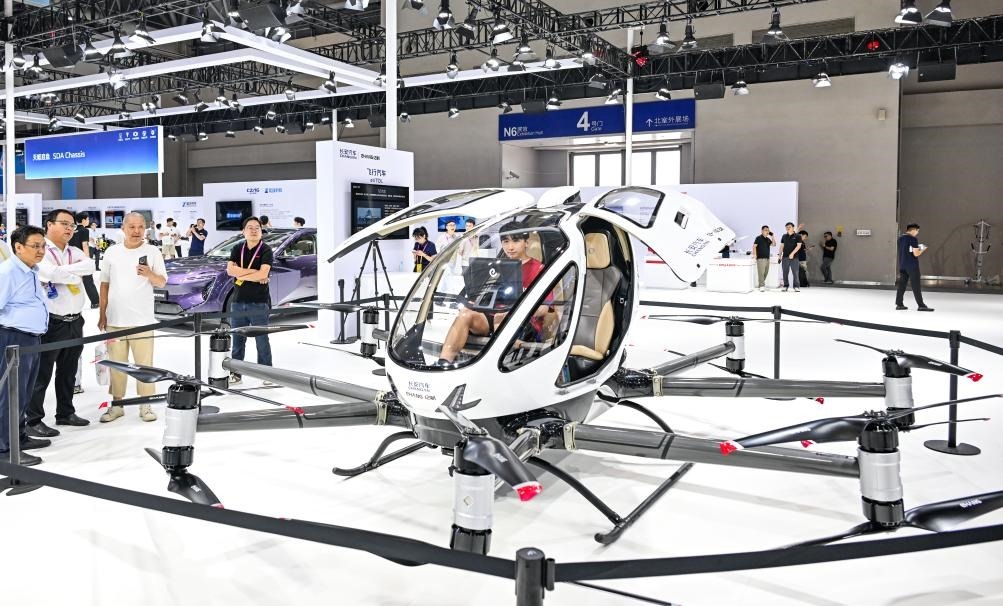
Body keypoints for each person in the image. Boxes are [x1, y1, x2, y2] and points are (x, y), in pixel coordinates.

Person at [25, 209, 94, 439]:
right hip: (51, 322)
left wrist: (61, 273)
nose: (69, 228)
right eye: (64, 223)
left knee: (68, 371)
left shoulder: (74, 251)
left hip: (75, 320)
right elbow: (47, 273)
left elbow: (90, 266)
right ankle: (33, 421)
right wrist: (70, 274)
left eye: (72, 225)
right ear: (49, 224)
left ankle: (65, 412)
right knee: (41, 374)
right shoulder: (41, 250)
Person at [437, 222, 546, 364]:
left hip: (522, 321)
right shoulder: (496, 267)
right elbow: (487, 293)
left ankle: (495, 366)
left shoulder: (538, 269)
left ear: (526, 242)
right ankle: (443, 362)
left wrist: (516, 310)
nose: (510, 247)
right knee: (465, 314)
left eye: (516, 241)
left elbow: (544, 308)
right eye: (505, 241)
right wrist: (477, 301)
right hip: (493, 317)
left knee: (500, 316)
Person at [98, 212, 167, 423]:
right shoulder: (112, 252)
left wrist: (149, 274)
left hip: (142, 321)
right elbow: (104, 284)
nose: (136, 231)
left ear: (145, 228)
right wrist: (102, 313)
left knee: (144, 365)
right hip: (115, 319)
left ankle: (145, 405)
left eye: (140, 227)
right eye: (132, 227)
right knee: (117, 365)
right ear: (123, 228)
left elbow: (162, 282)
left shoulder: (153, 251)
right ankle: (117, 405)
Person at [0, 225, 50, 466]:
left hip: (31, 338)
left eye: (43, 246)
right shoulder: (8, 272)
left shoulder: (30, 270)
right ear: (18, 247)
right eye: (35, 246)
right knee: (10, 395)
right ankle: (4, 448)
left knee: (24, 393)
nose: (41, 250)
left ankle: (18, 436)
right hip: (13, 339)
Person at [225, 216, 274, 384]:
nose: (254, 230)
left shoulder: (266, 250)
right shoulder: (237, 248)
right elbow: (230, 271)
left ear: (261, 231)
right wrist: (255, 273)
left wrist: (241, 272)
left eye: (257, 228)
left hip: (259, 302)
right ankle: (235, 374)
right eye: (250, 228)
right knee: (237, 340)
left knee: (262, 340)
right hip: (238, 301)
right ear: (243, 231)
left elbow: (263, 273)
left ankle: (267, 374)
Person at [896, 223, 933, 312]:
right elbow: (916, 254)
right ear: (913, 230)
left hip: (902, 265)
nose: (917, 233)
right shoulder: (913, 239)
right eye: (917, 231)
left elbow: (905, 251)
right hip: (912, 266)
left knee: (902, 285)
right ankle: (921, 305)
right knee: (916, 286)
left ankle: (899, 304)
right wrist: (922, 249)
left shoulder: (900, 238)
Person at [70, 212, 100, 309]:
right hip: (82, 259)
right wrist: (88, 260)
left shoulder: (72, 230)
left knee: (73, 282)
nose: (88, 221)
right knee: (88, 281)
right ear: (83, 220)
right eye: (87, 219)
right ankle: (95, 302)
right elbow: (85, 245)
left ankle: (73, 305)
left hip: (72, 259)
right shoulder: (85, 230)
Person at [779, 222, 802, 292]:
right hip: (785, 257)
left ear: (793, 228)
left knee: (795, 272)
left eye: (789, 227)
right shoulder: (784, 236)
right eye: (787, 227)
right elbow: (781, 246)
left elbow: (798, 246)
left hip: (794, 257)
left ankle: (796, 286)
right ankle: (785, 286)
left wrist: (792, 254)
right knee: (785, 272)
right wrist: (779, 255)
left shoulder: (798, 236)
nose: (788, 228)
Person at [754, 226, 776, 292]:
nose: (767, 231)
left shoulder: (768, 239)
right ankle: (761, 286)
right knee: (761, 273)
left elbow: (774, 244)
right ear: (762, 231)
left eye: (768, 230)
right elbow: (754, 246)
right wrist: (755, 255)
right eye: (765, 230)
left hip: (767, 258)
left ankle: (761, 285)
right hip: (760, 258)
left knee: (765, 272)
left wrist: (772, 236)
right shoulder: (758, 238)